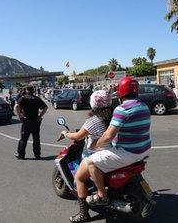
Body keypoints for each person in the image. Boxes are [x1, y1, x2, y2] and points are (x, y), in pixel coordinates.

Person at [84, 77, 151, 209]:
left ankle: (102, 196)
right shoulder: (144, 106)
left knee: (91, 163)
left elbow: (108, 136)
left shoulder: (122, 109)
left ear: (120, 93)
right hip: (144, 150)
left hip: (127, 153)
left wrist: (95, 145)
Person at [60, 90, 113, 222]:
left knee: (79, 179)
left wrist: (66, 133)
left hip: (97, 155)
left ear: (93, 103)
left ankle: (83, 214)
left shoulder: (93, 121)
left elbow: (78, 136)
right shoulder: (114, 116)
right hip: (113, 153)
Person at [14, 86, 48, 160]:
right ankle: (37, 155)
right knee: (36, 139)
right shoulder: (37, 98)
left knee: (23, 139)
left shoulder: (23, 98)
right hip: (35, 121)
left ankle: (21, 155)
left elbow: (16, 106)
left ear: (26, 90)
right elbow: (45, 107)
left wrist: (20, 116)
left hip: (26, 121)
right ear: (33, 90)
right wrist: (40, 116)